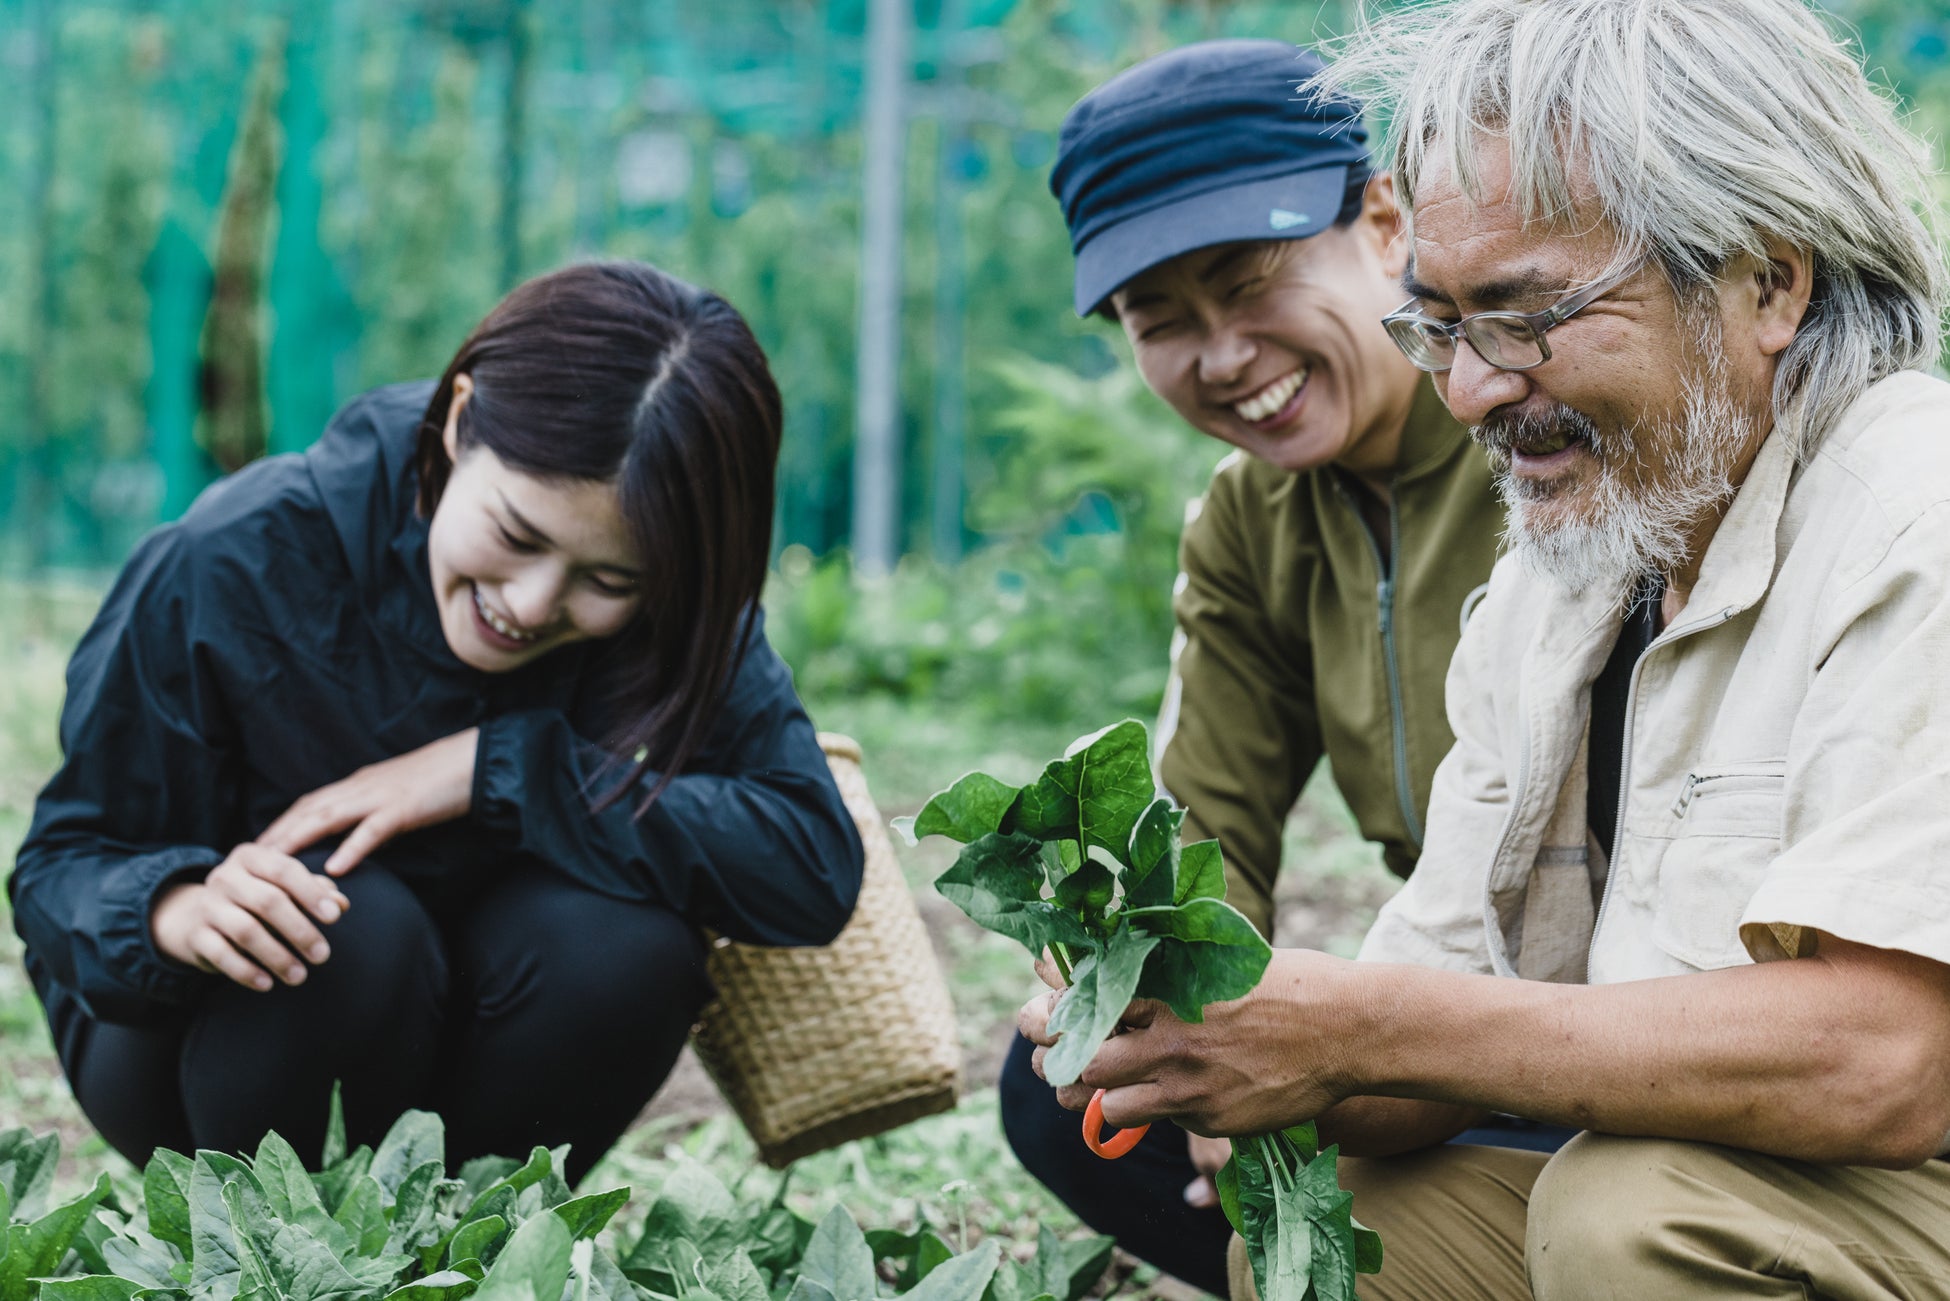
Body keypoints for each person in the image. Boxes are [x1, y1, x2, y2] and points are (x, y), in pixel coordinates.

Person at [1019, 0, 1950, 1294]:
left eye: (1519, 318)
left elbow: (1885, 1059)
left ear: (1765, 280)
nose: (1466, 391)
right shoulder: (1564, 572)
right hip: (1690, 1141)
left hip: (1887, 1160)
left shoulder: (1914, 513)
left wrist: (1363, 1025)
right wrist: (1223, 1034)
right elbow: (1426, 996)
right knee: (1357, 1234)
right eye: (1443, 328)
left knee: (1632, 1214)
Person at [10, 261, 865, 1182]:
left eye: (608, 579)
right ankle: (270, 1244)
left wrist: (497, 769)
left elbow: (809, 860)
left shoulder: (680, 599)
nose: (533, 603)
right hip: (206, 1051)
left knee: (627, 948)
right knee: (344, 916)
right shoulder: (236, 557)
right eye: (517, 534)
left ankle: (455, 1242)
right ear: (460, 423)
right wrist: (179, 909)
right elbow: (63, 865)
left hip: (478, 1030)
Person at [996, 40, 1523, 1298]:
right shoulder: (1251, 520)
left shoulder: (1532, 440)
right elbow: (1201, 839)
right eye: (1159, 320)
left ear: (1384, 221)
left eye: (1250, 285)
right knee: (1068, 1084)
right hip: (1425, 1038)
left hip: (1592, 1000)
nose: (1222, 356)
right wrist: (1162, 1002)